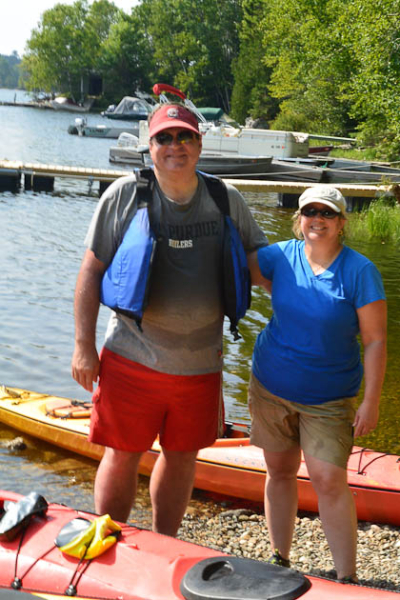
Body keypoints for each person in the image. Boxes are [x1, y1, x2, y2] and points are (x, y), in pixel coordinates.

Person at [71, 103, 267, 536]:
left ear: (199, 144)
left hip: (200, 363)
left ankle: (165, 545)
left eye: (184, 137)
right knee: (122, 452)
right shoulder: (125, 195)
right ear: (150, 146)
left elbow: (260, 264)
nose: (174, 146)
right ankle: (108, 538)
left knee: (181, 456)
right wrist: (84, 346)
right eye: (164, 138)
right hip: (131, 355)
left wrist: (318, 293)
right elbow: (91, 271)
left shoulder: (224, 198)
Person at [247, 185, 387, 582]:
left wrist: (371, 401)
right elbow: (238, 266)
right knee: (279, 471)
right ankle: (279, 559)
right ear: (299, 219)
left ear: (342, 222)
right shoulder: (279, 256)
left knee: (328, 478)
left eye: (327, 213)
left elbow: (375, 340)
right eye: (310, 211)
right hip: (271, 384)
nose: (317, 219)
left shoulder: (360, 271)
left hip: (329, 398)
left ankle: (346, 576)